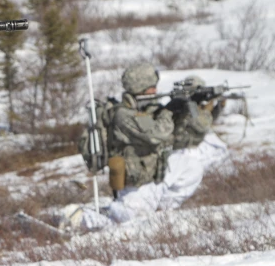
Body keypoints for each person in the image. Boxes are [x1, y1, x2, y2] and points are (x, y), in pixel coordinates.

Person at [71, 62, 203, 231]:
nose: (155, 91)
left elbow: (174, 138)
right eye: (151, 87)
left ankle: (160, 210)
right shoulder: (123, 115)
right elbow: (156, 134)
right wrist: (168, 110)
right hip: (134, 189)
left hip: (153, 177)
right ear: (140, 88)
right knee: (125, 223)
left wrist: (186, 109)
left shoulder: (147, 110)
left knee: (191, 165)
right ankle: (79, 217)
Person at [170, 75, 229, 171]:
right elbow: (202, 125)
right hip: (185, 150)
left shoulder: (194, 104)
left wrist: (218, 106)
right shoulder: (184, 104)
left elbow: (209, 120)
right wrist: (207, 109)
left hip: (194, 146)